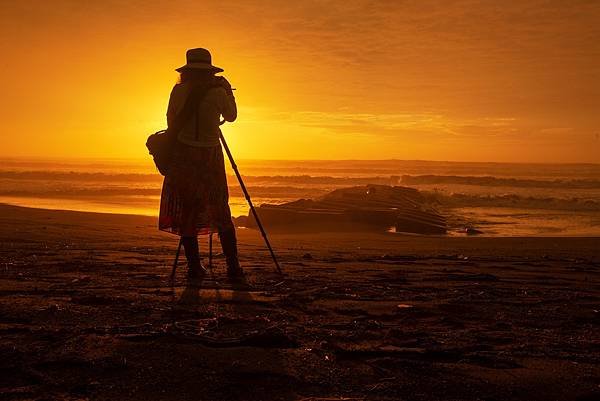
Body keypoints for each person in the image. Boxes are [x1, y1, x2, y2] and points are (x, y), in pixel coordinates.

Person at [158, 48, 242, 279]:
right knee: (220, 207)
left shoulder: (178, 91)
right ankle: (233, 267)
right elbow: (232, 116)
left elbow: (170, 119)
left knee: (188, 209)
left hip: (183, 155)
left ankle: (194, 267)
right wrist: (227, 91)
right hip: (210, 154)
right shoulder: (217, 93)